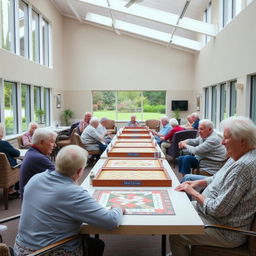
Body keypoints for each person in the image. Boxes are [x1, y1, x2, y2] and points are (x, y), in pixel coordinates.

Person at [169, 116, 256, 256]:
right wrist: (198, 183)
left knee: (177, 234)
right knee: (178, 209)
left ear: (243, 142)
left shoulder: (243, 167)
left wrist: (194, 193)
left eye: (226, 138)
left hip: (225, 230)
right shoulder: (238, 155)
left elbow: (217, 209)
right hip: (212, 217)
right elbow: (218, 177)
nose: (222, 142)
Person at [14, 145, 124, 256]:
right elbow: (111, 221)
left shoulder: (36, 178)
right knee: (96, 245)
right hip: (48, 252)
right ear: (80, 171)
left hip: (20, 250)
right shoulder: (73, 193)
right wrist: (117, 208)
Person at [19, 128, 57, 196]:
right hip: (33, 201)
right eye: (52, 142)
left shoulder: (31, 152)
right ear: (41, 142)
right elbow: (61, 176)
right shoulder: (38, 158)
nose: (55, 145)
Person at [0, 123, 20, 198]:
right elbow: (17, 153)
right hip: (6, 172)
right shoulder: (4, 144)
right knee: (20, 165)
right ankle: (13, 190)